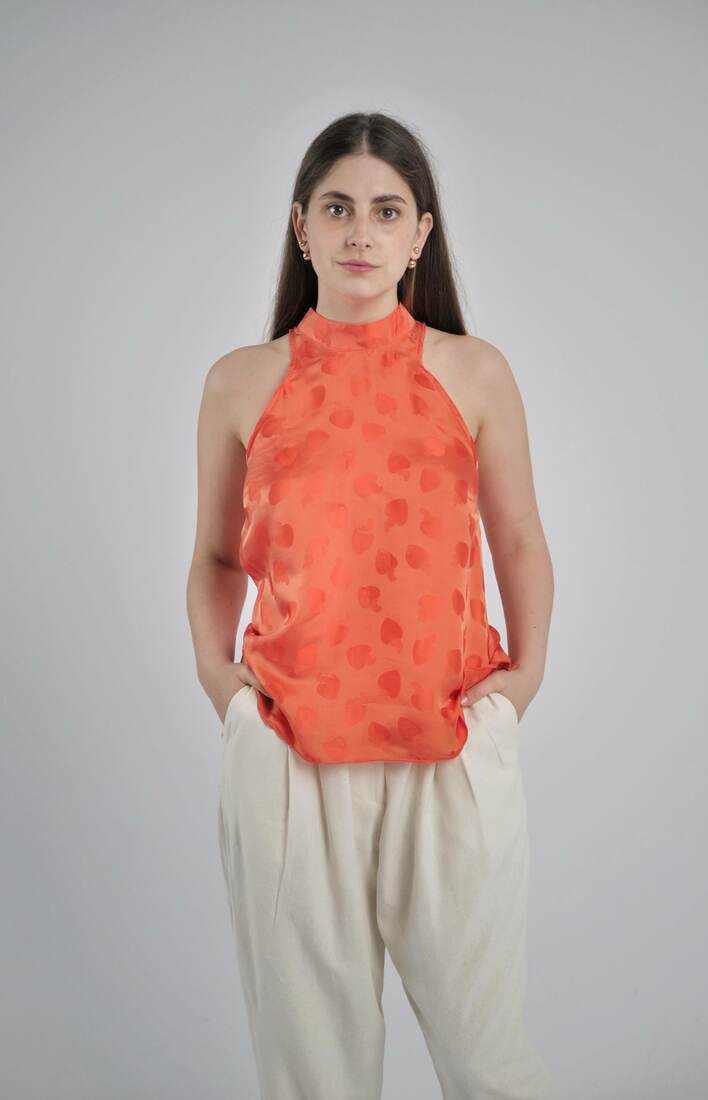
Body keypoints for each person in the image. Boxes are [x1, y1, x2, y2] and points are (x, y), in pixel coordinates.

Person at [186, 111, 559, 1100]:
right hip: (289, 750)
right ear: (300, 226)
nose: (361, 232)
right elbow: (216, 556)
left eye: (387, 211)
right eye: (338, 208)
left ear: (420, 234)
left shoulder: (472, 371)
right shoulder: (241, 382)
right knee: (316, 1076)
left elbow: (519, 535)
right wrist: (225, 690)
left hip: (449, 740)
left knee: (487, 1061)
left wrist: (521, 684)